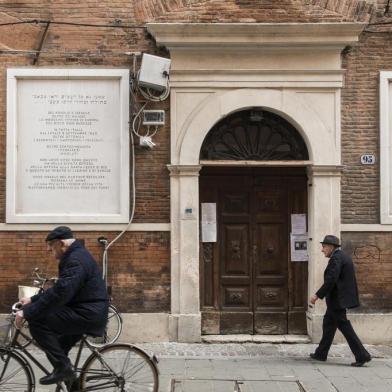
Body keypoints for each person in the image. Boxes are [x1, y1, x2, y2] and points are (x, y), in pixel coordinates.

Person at [15, 226, 109, 385]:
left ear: (61, 243)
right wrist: (33, 300)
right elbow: (61, 289)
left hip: (87, 314)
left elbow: (61, 293)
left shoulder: (75, 260)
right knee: (57, 348)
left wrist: (29, 312)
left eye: (51, 246)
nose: (48, 250)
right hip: (86, 311)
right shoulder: (76, 256)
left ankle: (64, 370)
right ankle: (71, 382)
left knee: (38, 321)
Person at [309, 235, 371, 367]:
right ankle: (321, 353)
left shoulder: (336, 258)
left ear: (331, 247)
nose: (322, 250)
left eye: (324, 247)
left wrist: (317, 295)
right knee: (328, 325)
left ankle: (362, 355)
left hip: (338, 300)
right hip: (337, 300)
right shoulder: (341, 256)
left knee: (345, 327)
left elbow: (331, 279)